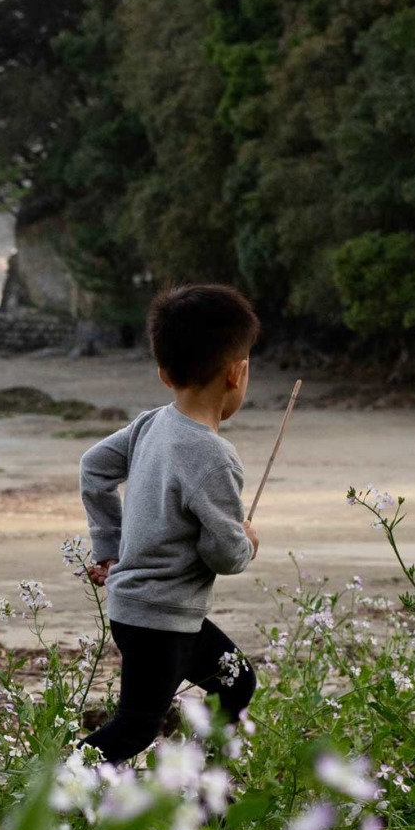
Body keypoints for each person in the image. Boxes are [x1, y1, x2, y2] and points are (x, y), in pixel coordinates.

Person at [79, 284, 263, 762]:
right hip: (160, 619)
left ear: (164, 373)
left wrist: (111, 547)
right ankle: (54, 789)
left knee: (236, 681)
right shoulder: (213, 457)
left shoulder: (150, 423)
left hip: (147, 611)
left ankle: (200, 784)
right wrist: (247, 541)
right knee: (136, 726)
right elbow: (223, 554)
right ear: (236, 373)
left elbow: (93, 468)